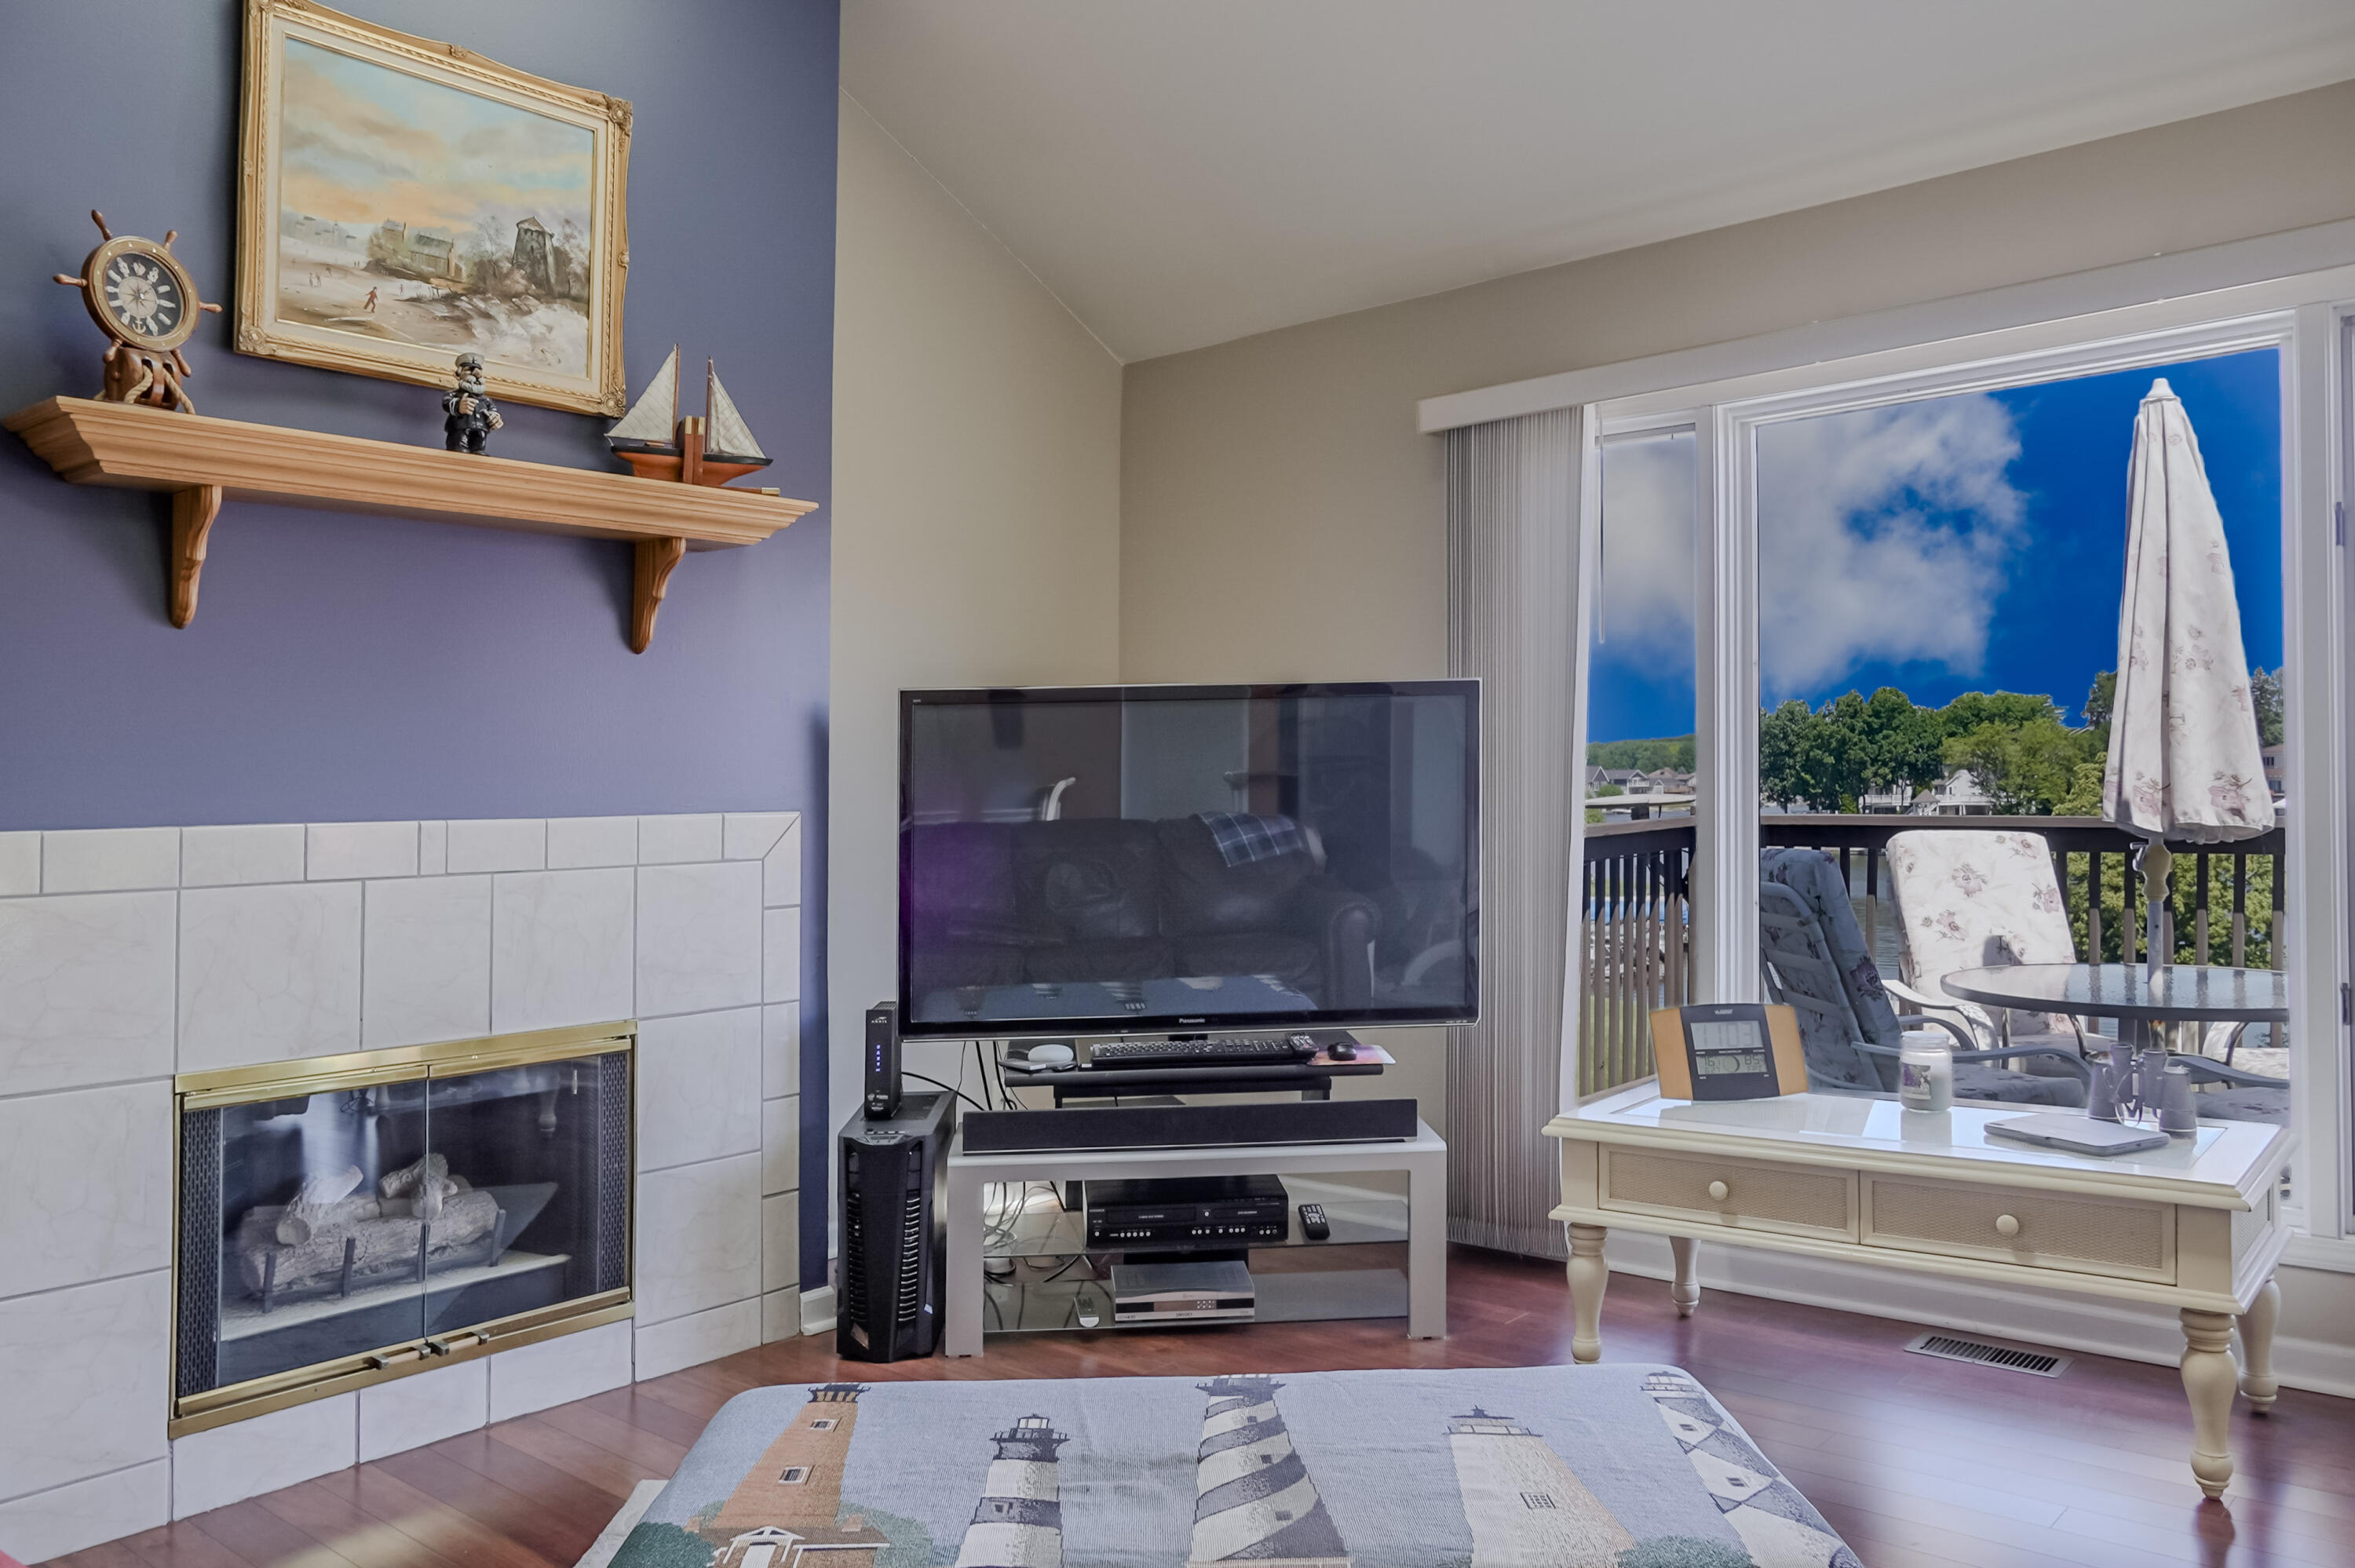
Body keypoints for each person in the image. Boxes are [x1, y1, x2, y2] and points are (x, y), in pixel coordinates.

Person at [442, 352, 503, 454]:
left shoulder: (486, 400)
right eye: (469, 370)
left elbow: (492, 410)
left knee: (480, 443)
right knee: (459, 444)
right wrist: (459, 405)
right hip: (460, 427)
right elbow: (446, 403)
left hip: (480, 429)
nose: (477, 374)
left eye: (479, 371)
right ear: (458, 375)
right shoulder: (453, 394)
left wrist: (495, 418)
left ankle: (478, 450)